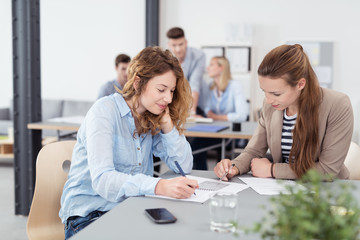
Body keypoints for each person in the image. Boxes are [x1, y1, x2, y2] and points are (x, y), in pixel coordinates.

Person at [60, 46, 199, 239]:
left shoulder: (152, 117)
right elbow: (103, 180)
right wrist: (158, 186)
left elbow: (184, 165)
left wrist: (168, 126)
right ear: (138, 83)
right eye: (161, 89)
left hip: (131, 211)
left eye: (172, 91)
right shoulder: (104, 111)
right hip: (89, 217)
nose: (168, 98)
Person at [214, 44, 353, 180]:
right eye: (265, 92)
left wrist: (272, 170)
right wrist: (233, 167)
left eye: (276, 93)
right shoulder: (271, 106)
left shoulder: (337, 104)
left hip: (328, 191)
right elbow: (254, 151)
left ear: (300, 84)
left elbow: (327, 170)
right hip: (283, 189)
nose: (268, 100)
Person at [191, 56, 249, 170]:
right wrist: (206, 113)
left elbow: (242, 115)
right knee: (194, 145)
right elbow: (207, 107)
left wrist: (216, 117)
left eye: (211, 65)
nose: (207, 68)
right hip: (214, 131)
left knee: (196, 145)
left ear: (221, 68)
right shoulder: (211, 87)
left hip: (230, 134)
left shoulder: (234, 86)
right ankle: (202, 175)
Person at [166, 27, 206, 116]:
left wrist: (192, 113)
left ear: (186, 42)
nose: (178, 49)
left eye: (181, 44)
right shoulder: (166, 58)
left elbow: (195, 84)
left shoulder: (199, 56)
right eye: (174, 45)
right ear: (168, 44)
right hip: (174, 104)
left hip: (196, 104)